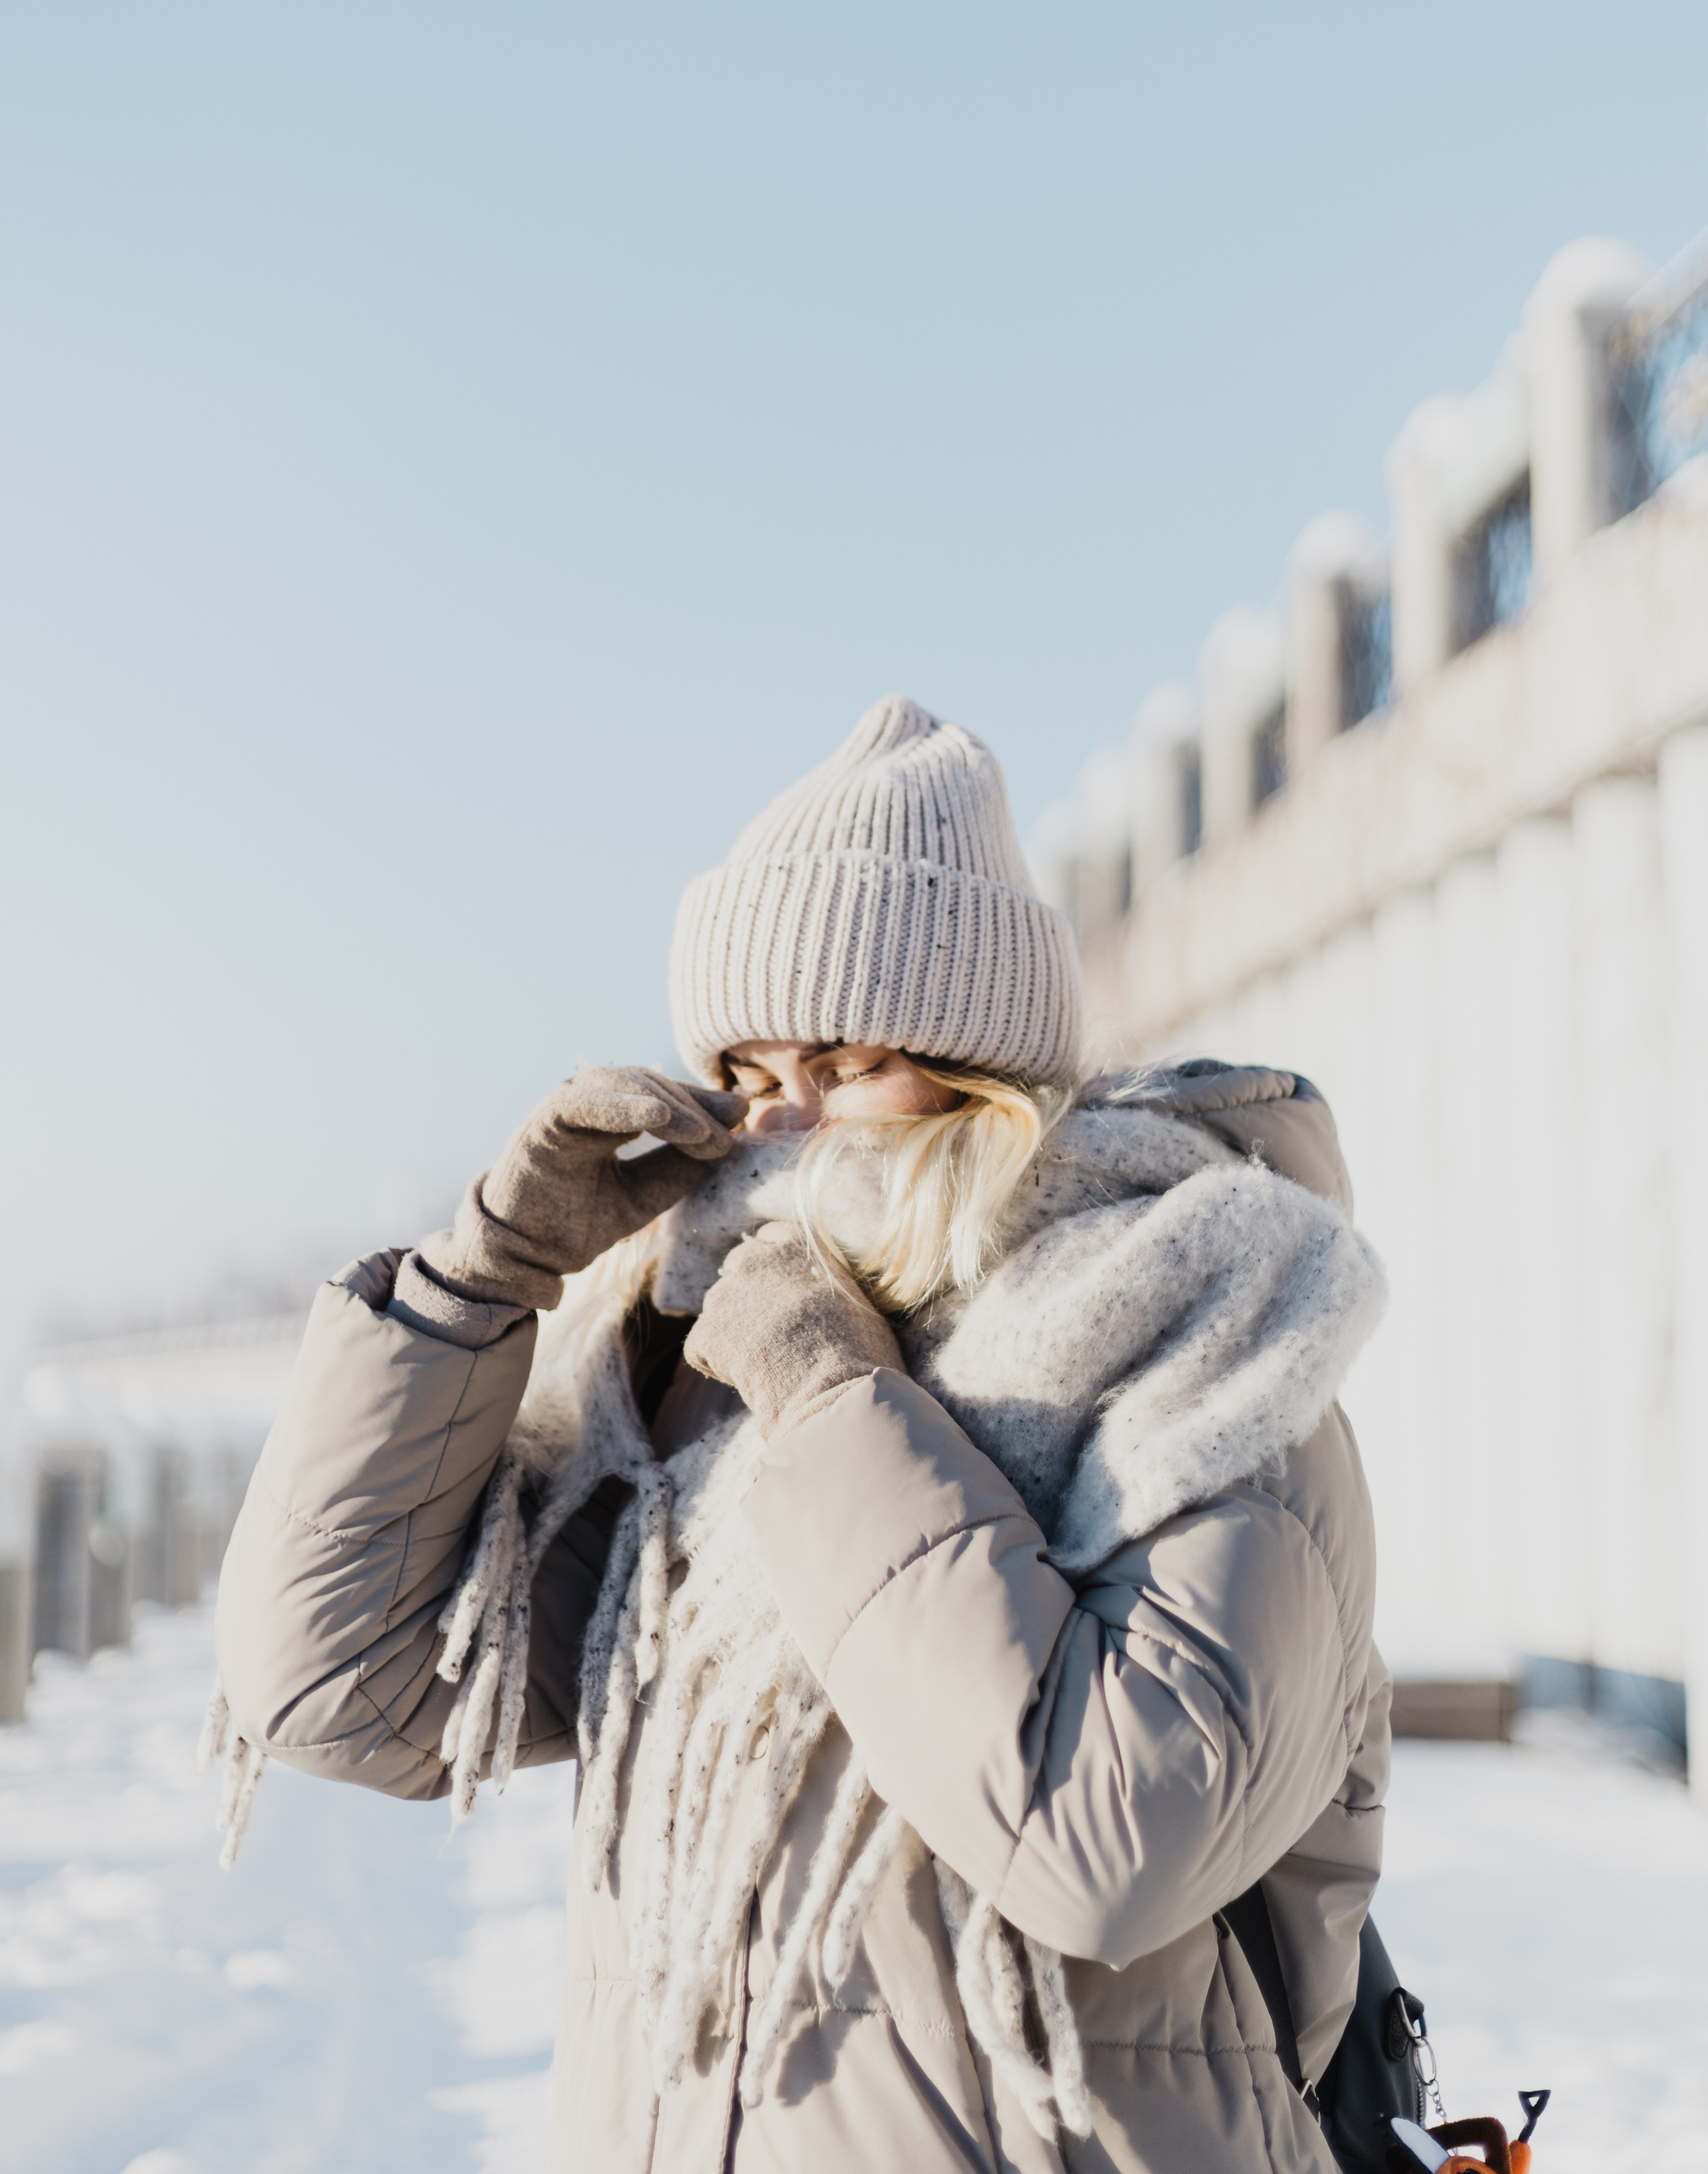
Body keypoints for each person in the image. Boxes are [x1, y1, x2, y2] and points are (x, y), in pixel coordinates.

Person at [211, 693, 1389, 2174]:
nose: (779, 1134)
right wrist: (479, 1283)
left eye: (839, 1067)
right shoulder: (699, 1409)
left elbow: (1107, 1841)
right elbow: (336, 1685)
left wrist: (840, 1405)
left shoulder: (1203, 1349)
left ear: (984, 1070)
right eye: (752, 1081)